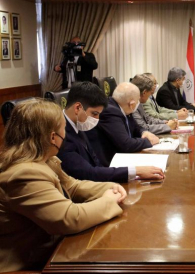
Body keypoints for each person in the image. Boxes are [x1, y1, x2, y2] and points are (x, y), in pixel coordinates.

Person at [0, 99, 126, 272]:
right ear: (52, 137)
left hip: (50, 253)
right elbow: (69, 219)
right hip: (28, 266)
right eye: (63, 128)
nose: (66, 133)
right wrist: (109, 201)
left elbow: (72, 186)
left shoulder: (44, 159)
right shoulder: (24, 174)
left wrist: (108, 187)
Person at [57, 82, 165, 182]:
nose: (97, 119)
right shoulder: (60, 133)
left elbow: (96, 163)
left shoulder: (78, 123)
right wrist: (135, 171)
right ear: (77, 108)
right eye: (94, 114)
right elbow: (87, 173)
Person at [86, 82, 160, 167]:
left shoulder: (123, 107)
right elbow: (126, 144)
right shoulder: (110, 111)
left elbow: (136, 128)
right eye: (138, 101)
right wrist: (148, 141)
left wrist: (144, 132)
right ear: (131, 104)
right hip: (110, 163)